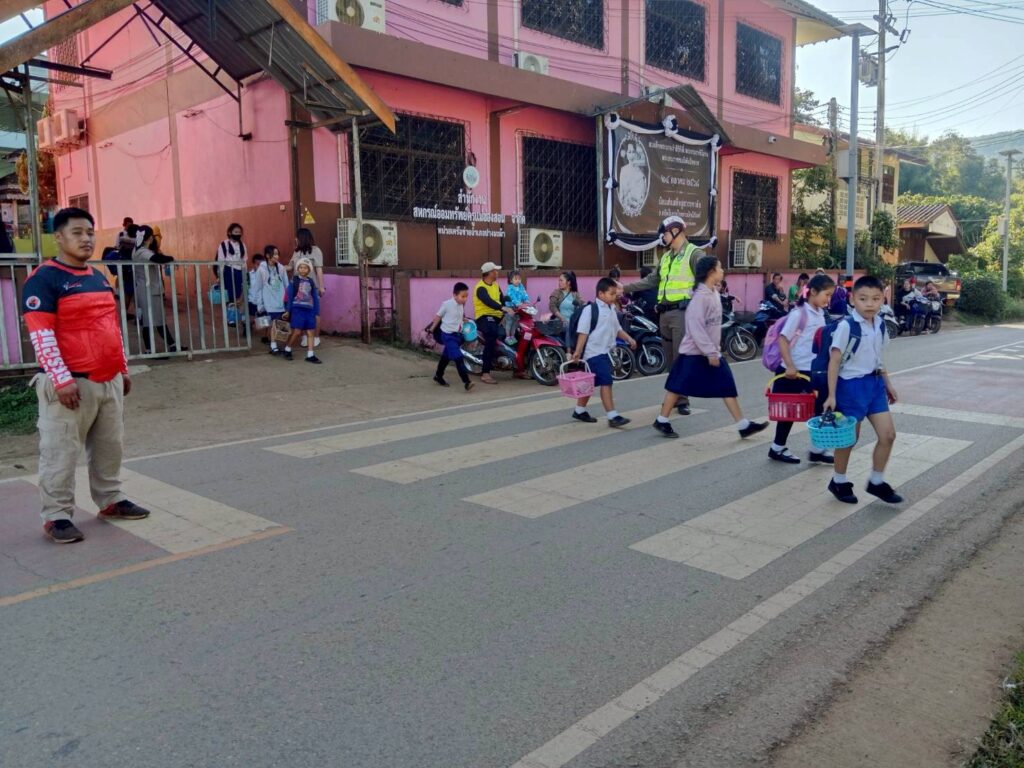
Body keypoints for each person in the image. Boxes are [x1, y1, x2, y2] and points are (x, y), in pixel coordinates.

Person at [22, 208, 150, 544]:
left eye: (90, 232)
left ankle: (110, 499)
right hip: (71, 384)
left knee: (110, 446)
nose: (86, 239)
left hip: (108, 380)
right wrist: (61, 380)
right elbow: (42, 334)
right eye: (77, 232)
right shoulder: (44, 279)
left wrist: (122, 368)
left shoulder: (98, 277)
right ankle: (57, 515)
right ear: (59, 238)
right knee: (60, 452)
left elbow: (111, 326)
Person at [653, 255, 768, 440]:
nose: (722, 271)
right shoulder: (699, 298)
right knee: (676, 386)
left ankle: (743, 425)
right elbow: (695, 328)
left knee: (726, 385)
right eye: (720, 267)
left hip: (710, 352)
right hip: (694, 353)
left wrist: (712, 351)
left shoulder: (713, 292)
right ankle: (662, 420)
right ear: (711, 272)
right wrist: (710, 352)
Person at [822, 275, 902, 505]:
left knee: (888, 435)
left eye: (876, 299)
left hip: (875, 385)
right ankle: (838, 481)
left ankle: (876, 481)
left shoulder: (880, 324)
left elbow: (878, 358)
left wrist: (888, 384)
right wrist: (831, 395)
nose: (870, 304)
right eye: (863, 298)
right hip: (851, 387)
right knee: (849, 439)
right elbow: (834, 361)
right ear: (852, 299)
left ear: (883, 300)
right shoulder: (846, 326)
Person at [622, 215, 702, 415]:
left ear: (675, 231)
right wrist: (625, 288)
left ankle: (682, 400)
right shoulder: (666, 257)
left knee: (681, 358)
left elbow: (707, 279)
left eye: (664, 233)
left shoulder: (694, 254)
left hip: (682, 313)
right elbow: (651, 280)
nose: (662, 237)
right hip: (664, 314)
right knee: (670, 359)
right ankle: (676, 396)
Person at [767, 273, 836, 465]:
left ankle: (816, 450)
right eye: (827, 294)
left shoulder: (820, 313)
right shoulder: (799, 314)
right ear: (813, 291)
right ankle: (777, 448)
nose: (828, 299)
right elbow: (783, 339)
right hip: (793, 372)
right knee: (787, 413)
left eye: (830, 295)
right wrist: (790, 366)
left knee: (820, 408)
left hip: (812, 371)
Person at [568, 277, 636, 428]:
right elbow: (583, 332)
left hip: (605, 352)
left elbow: (617, 329)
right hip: (593, 353)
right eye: (611, 294)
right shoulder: (590, 310)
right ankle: (612, 416)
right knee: (606, 380)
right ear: (600, 294)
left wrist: (629, 339)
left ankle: (579, 411)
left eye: (615, 294)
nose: (614, 296)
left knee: (590, 382)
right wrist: (577, 352)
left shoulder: (612, 309)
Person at [132, 224, 179, 354]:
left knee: (157, 320)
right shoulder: (142, 251)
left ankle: (172, 345)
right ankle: (150, 350)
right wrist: (171, 259)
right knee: (151, 322)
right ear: (150, 238)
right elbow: (156, 259)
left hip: (148, 289)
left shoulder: (137, 250)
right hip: (149, 290)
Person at [428, 282, 475, 391]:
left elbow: (457, 316)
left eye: (466, 296)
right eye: (463, 296)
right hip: (447, 336)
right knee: (458, 358)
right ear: (454, 295)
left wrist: (464, 319)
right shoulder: (446, 304)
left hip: (457, 335)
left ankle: (438, 376)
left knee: (446, 357)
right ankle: (467, 382)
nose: (465, 299)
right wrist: (432, 329)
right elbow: (438, 317)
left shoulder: (461, 304)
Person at [474, 261, 513, 384]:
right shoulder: (480, 288)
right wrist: (502, 308)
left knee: (515, 332)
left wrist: (512, 306)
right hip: (484, 317)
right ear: (489, 273)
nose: (497, 272)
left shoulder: (496, 285)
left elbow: (502, 300)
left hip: (497, 316)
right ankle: (485, 373)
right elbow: (488, 301)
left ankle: (517, 369)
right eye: (495, 271)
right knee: (491, 336)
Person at [288, 228, 325, 347]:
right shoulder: (296, 252)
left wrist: (321, 287)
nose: (295, 239)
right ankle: (305, 336)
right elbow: (290, 267)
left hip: (311, 287)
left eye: (297, 237)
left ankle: (316, 337)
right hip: (298, 288)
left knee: (314, 312)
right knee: (301, 311)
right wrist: (276, 266)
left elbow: (319, 269)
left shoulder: (316, 250)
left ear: (302, 238)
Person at [280, 259, 321, 363]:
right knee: (297, 331)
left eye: (305, 268)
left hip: (309, 310)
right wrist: (288, 310)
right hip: (297, 309)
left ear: (309, 270)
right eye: (301, 267)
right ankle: (287, 349)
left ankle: (310, 355)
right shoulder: (294, 281)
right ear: (298, 269)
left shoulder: (311, 282)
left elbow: (315, 298)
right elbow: (289, 297)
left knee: (310, 331)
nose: (303, 270)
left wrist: (317, 312)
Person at [252, 245, 288, 353]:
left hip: (280, 301)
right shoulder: (261, 269)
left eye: (277, 254)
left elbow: (286, 285)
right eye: (275, 254)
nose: (277, 256)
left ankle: (279, 344)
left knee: (281, 323)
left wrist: (287, 300)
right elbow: (258, 287)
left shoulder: (281, 268)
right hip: (269, 302)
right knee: (273, 322)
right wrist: (259, 303)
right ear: (268, 255)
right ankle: (273, 345)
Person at [215, 223, 248, 323]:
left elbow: (244, 261)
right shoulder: (223, 244)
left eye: (239, 232)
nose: (238, 234)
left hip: (239, 272)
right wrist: (219, 276)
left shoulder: (242, 245)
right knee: (229, 296)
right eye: (235, 232)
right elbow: (221, 261)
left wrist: (245, 274)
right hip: (228, 272)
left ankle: (238, 316)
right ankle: (230, 318)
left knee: (239, 295)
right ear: (229, 232)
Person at [549, 270, 582, 348]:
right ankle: (568, 351)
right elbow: (552, 306)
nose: (559, 282)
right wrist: (562, 318)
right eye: (559, 280)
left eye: (561, 280)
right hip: (559, 322)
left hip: (572, 323)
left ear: (568, 282)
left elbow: (581, 305)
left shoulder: (575, 294)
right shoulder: (557, 292)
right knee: (568, 326)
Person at [503, 269, 530, 345]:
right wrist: (518, 304)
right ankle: (507, 337)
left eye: (519, 279)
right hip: (510, 308)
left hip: (518, 308)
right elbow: (512, 297)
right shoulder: (510, 288)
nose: (518, 280)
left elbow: (525, 294)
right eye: (515, 279)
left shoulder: (521, 286)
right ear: (511, 280)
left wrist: (527, 301)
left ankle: (512, 336)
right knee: (509, 322)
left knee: (515, 323)